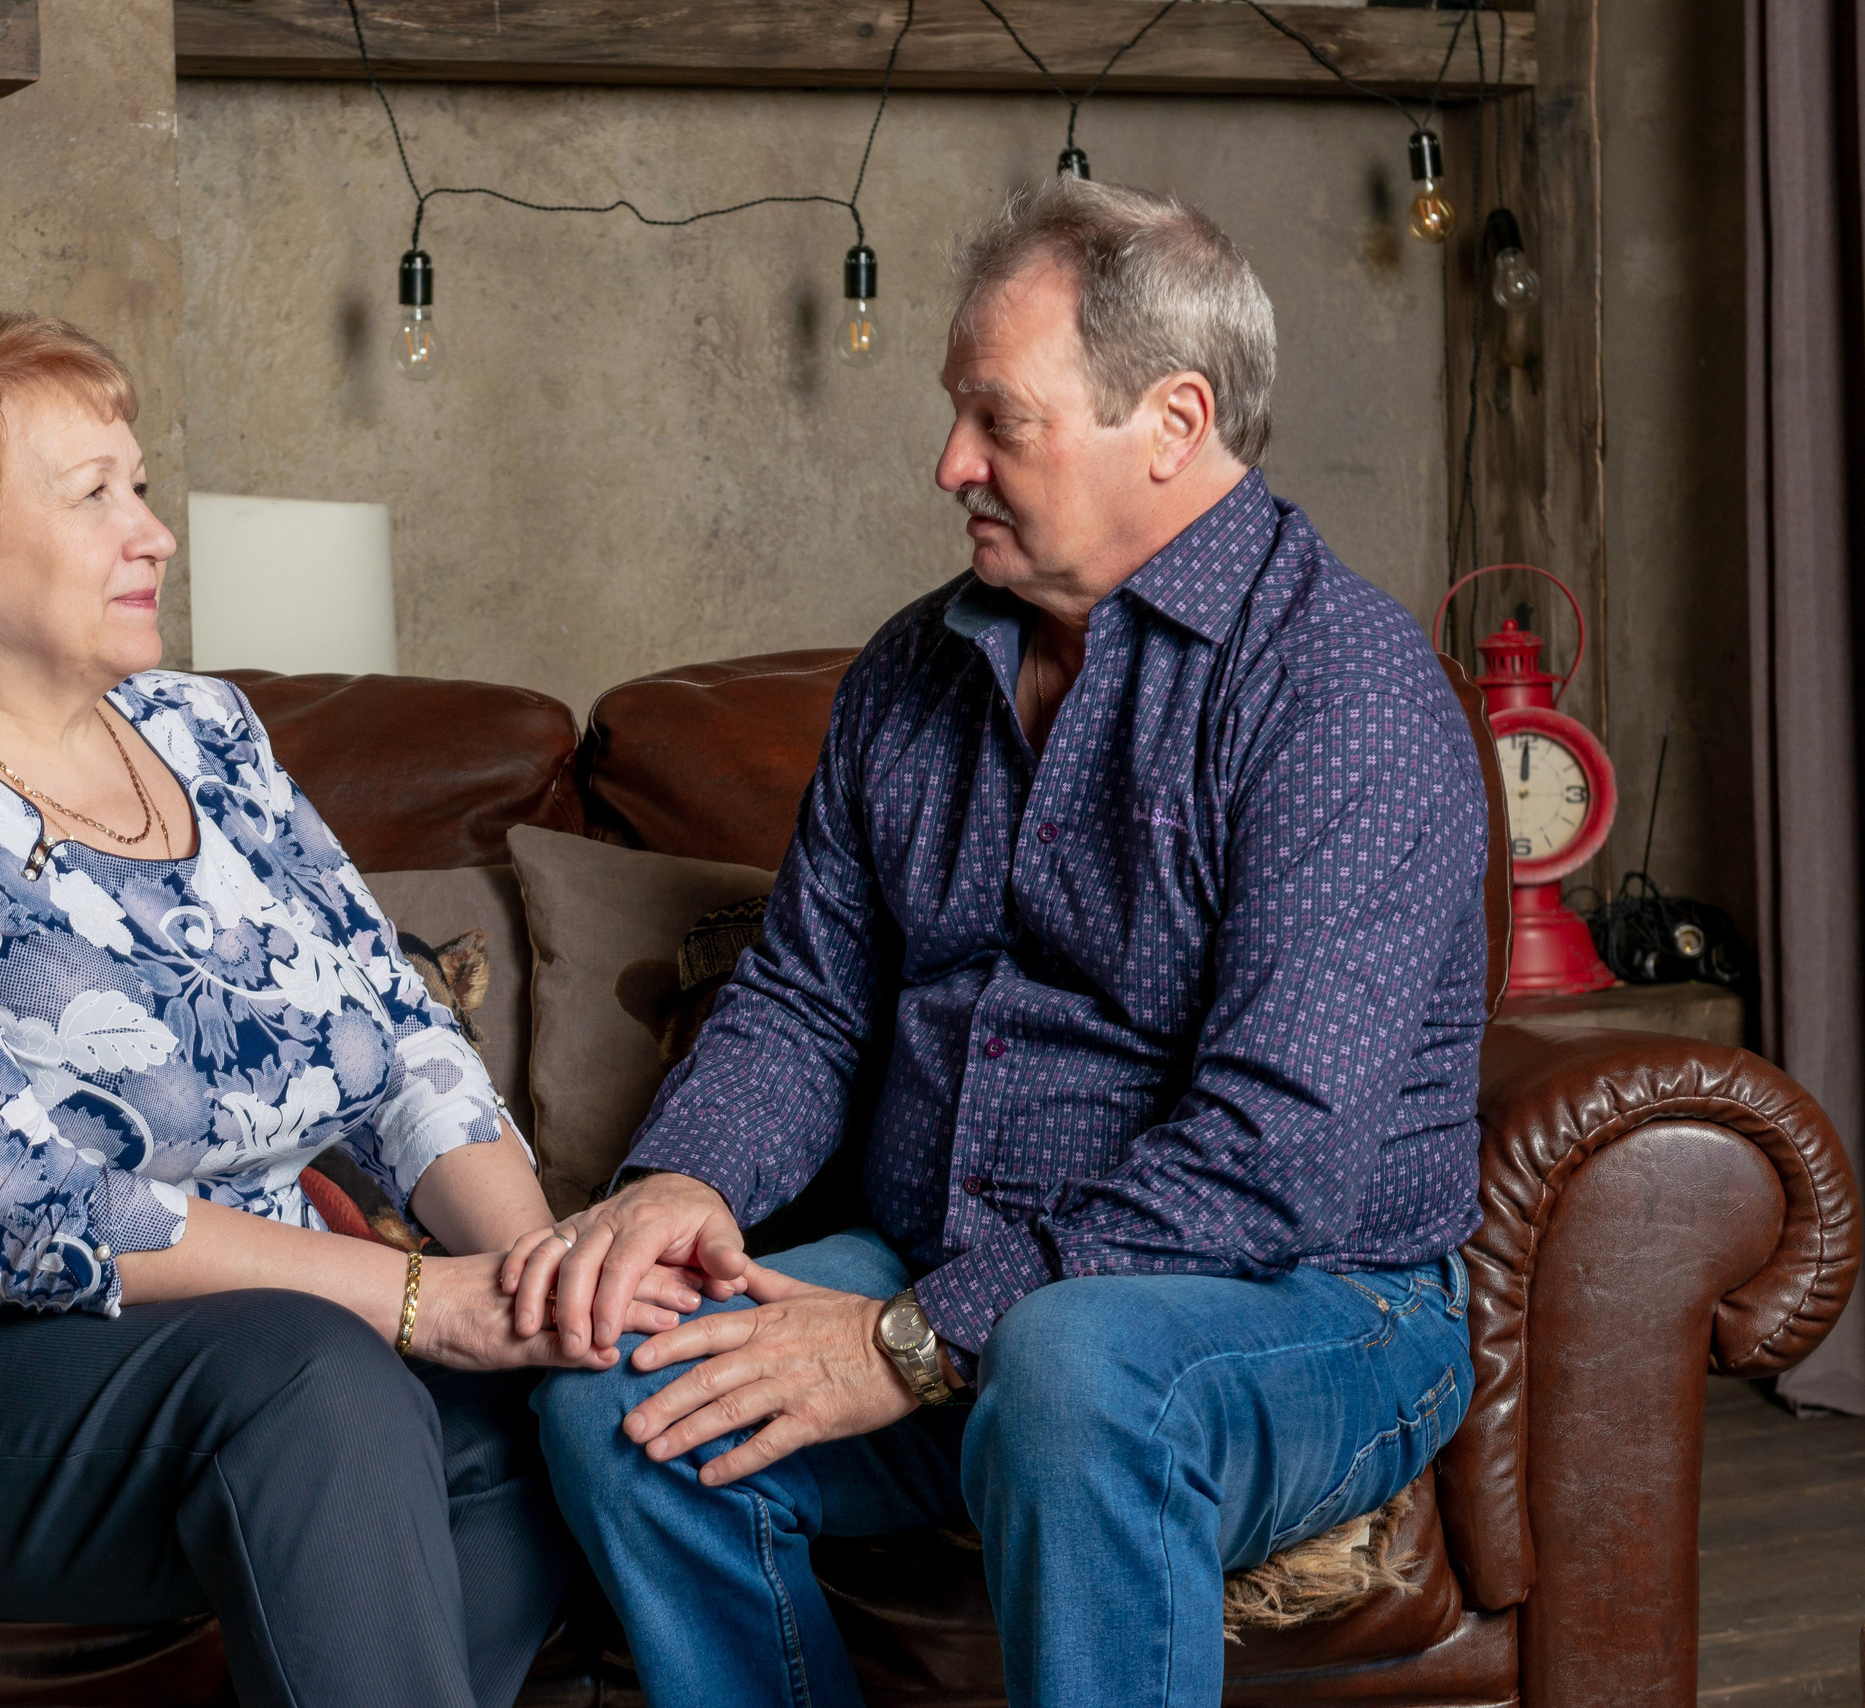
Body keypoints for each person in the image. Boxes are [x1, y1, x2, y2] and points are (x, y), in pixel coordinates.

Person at [515, 179, 1488, 1708]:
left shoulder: (1338, 689)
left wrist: (917, 1341)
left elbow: (1275, 1156)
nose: (949, 462)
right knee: (617, 1403)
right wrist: (682, 1181)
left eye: (998, 421)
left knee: (1070, 1370)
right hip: (946, 1260)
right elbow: (807, 998)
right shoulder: (913, 669)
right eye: (954, 413)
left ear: (1171, 423)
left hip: (1303, 1306)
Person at [0, 309, 694, 1708]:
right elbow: (14, 1209)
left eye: (140, 485)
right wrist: (421, 1302)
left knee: (569, 1395)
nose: (152, 533)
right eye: (94, 494)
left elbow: (398, 1038)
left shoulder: (205, 735)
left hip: (259, 1340)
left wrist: (534, 1283)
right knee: (318, 1383)